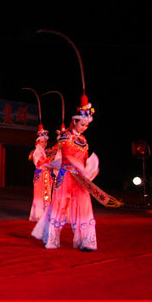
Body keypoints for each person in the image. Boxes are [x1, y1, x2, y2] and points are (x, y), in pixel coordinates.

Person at [32, 95, 100, 251]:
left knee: (84, 207)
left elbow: (84, 158)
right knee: (59, 207)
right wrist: (81, 168)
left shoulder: (83, 140)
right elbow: (68, 156)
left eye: (86, 125)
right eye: (82, 124)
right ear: (74, 121)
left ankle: (86, 241)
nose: (84, 128)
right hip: (67, 176)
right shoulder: (65, 136)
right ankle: (52, 239)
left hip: (80, 178)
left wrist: (89, 168)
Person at [28, 124, 52, 222]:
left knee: (45, 194)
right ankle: (38, 214)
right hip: (41, 174)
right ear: (37, 142)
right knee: (39, 194)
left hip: (45, 174)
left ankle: (44, 214)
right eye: (42, 141)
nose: (44, 143)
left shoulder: (43, 151)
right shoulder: (37, 152)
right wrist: (50, 160)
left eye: (45, 141)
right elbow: (39, 163)